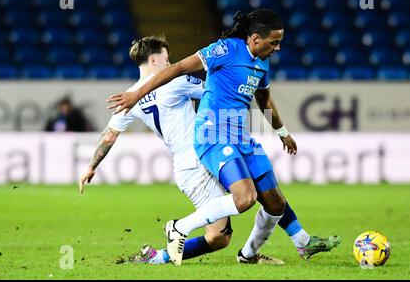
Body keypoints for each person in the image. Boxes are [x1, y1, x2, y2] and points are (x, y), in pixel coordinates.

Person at [107, 9, 340, 266]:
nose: (278, 47)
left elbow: (263, 99)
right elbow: (179, 68)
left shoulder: (262, 63)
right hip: (213, 134)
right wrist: (136, 95)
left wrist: (282, 132)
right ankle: (179, 227)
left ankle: (261, 252)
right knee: (246, 198)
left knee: (275, 202)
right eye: (274, 42)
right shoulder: (225, 49)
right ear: (254, 38)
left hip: (241, 137)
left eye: (279, 41)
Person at [79, 35, 281, 265]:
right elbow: (215, 92)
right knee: (219, 236)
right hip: (201, 157)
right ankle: (163, 252)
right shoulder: (175, 81)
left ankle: (258, 249)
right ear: (154, 60)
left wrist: (90, 166)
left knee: (256, 194)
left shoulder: (130, 96)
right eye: (166, 59)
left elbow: (109, 135)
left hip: (188, 164)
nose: (169, 64)